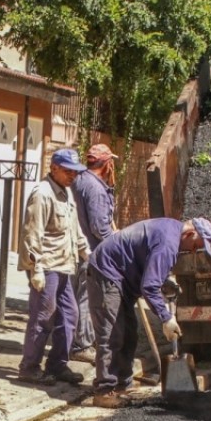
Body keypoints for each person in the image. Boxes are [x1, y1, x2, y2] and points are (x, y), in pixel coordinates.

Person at [87, 216, 211, 408]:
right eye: (196, 245)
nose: (193, 250)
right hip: (106, 273)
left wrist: (166, 281)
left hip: (122, 279)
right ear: (189, 234)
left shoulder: (172, 230)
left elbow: (150, 267)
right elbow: (149, 287)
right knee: (113, 334)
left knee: (130, 334)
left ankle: (121, 386)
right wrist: (166, 318)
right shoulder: (168, 244)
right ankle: (104, 391)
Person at [15, 147, 89, 385]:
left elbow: (75, 230)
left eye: (75, 173)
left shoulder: (66, 194)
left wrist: (87, 253)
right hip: (46, 266)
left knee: (70, 315)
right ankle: (29, 367)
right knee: (43, 316)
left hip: (65, 264)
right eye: (68, 171)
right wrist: (34, 268)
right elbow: (32, 234)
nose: (72, 176)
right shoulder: (42, 194)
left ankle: (58, 365)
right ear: (54, 168)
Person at [70, 143, 118, 361]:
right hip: (91, 252)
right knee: (87, 298)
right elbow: (99, 228)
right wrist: (117, 244)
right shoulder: (96, 189)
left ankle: (76, 341)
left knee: (75, 296)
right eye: (112, 162)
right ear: (106, 163)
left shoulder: (79, 180)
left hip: (76, 248)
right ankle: (82, 346)